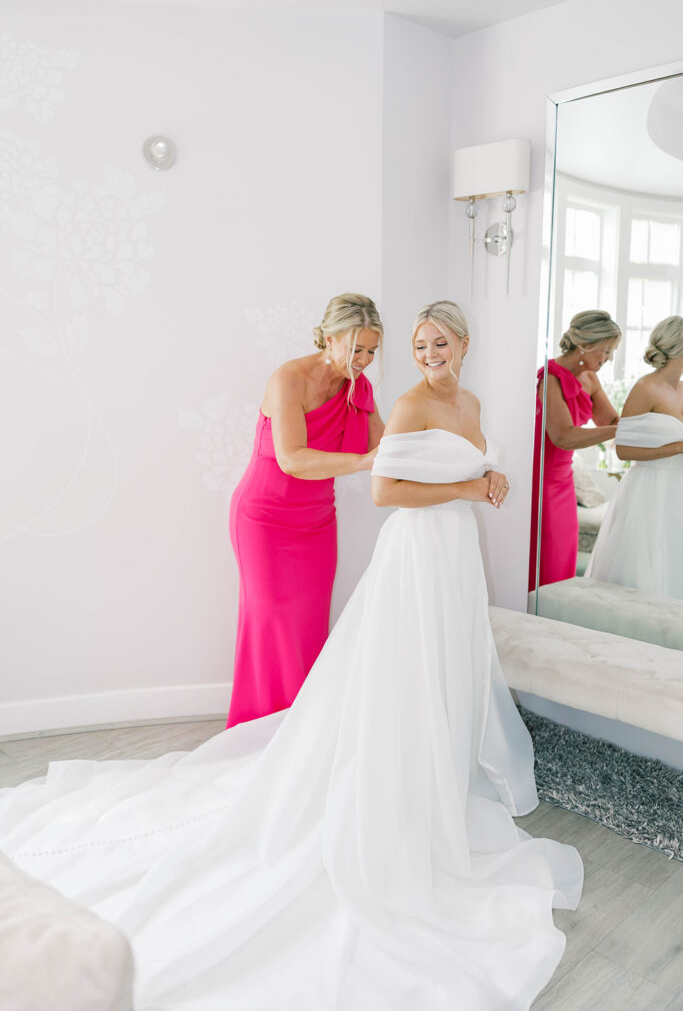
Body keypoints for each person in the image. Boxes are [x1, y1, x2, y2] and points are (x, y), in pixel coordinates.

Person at [0, 302, 583, 1011]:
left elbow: (426, 459)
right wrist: (451, 480)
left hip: (400, 538)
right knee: (297, 638)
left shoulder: (429, 397)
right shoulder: (334, 388)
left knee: (376, 655)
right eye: (401, 344)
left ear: (462, 343)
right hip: (301, 520)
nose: (402, 355)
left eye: (411, 345)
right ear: (331, 336)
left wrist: (487, 479)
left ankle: (404, 761)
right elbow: (359, 476)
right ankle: (297, 753)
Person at [227, 293, 384, 727]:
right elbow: (292, 458)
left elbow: (384, 448)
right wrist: (361, 463)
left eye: (372, 350)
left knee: (308, 625)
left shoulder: (360, 388)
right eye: (357, 349)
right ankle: (260, 728)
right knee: (271, 622)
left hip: (316, 522)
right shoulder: (288, 379)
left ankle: (303, 731)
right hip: (264, 519)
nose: (365, 360)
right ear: (330, 338)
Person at [586, 316, 683, 597]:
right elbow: (623, 449)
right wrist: (677, 448)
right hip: (650, 488)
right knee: (645, 568)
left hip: (678, 486)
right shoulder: (645, 388)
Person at [529, 309, 621, 591]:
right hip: (542, 481)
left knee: (563, 557)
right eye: (604, 351)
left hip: (564, 482)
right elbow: (563, 437)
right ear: (584, 345)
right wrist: (620, 431)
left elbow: (610, 421)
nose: (607, 359)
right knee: (545, 558)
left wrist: (649, 419)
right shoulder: (551, 377)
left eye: (610, 352)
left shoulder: (590, 378)